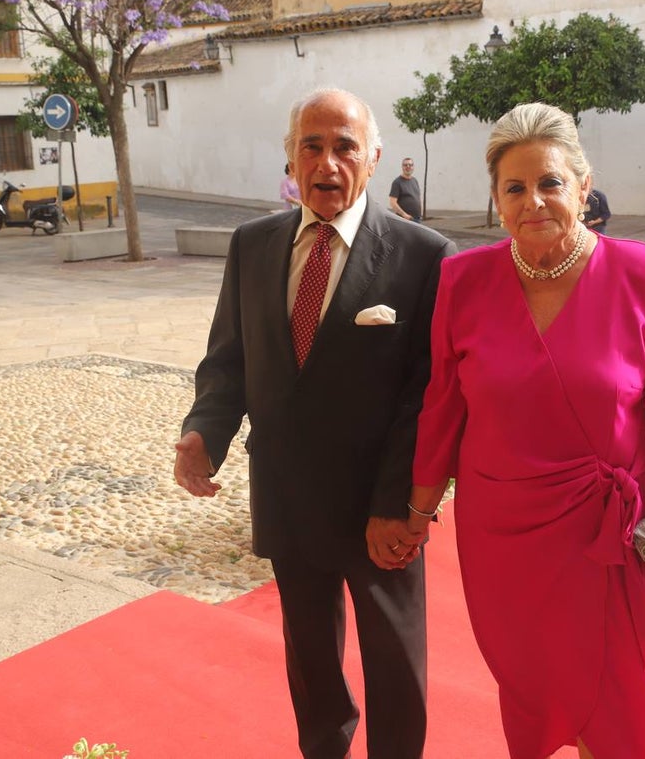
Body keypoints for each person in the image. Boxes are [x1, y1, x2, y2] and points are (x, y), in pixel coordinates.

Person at [405, 103, 645, 759]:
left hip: (612, 537)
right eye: (515, 187)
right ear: (497, 200)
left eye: (550, 182)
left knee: (625, 701)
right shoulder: (462, 281)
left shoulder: (641, 273)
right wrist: (415, 510)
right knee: (534, 685)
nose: (533, 201)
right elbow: (442, 406)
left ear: (584, 189)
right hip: (505, 539)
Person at [174, 87, 456, 759]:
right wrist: (204, 432)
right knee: (311, 663)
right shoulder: (252, 245)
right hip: (288, 495)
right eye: (312, 146)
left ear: (374, 158)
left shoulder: (424, 255)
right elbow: (229, 358)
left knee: (394, 662)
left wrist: (398, 504)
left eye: (345, 147)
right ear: (291, 157)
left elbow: (427, 393)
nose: (327, 163)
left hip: (378, 509)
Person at [389, 157, 423, 221]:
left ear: (413, 167)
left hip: (417, 219)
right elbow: (392, 203)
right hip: (404, 220)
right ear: (402, 167)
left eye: (410, 165)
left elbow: (418, 198)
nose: (408, 167)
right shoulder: (397, 182)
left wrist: (421, 213)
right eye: (405, 165)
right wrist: (404, 215)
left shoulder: (415, 180)